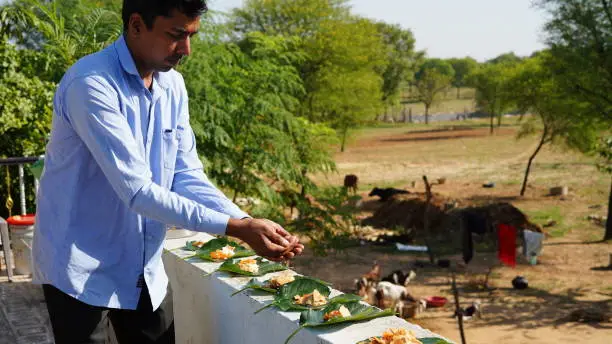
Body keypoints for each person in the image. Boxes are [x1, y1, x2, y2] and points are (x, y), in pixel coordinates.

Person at [31, 1, 303, 343]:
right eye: (176, 35)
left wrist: (247, 222)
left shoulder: (172, 86)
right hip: (80, 268)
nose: (186, 49)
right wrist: (236, 228)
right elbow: (137, 191)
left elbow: (184, 173)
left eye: (191, 36)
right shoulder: (91, 84)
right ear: (135, 25)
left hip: (143, 268)